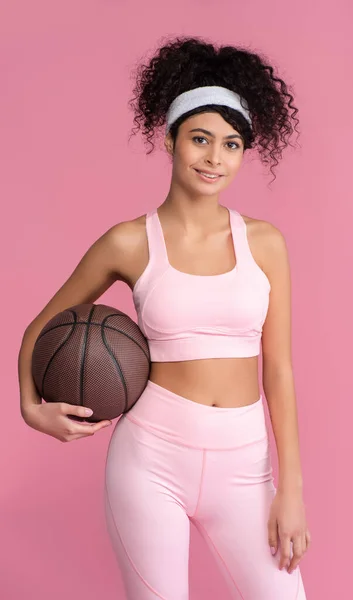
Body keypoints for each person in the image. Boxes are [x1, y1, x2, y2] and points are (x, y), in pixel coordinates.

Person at [18, 36, 311, 599]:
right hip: (150, 459)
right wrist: (33, 410)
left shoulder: (266, 244)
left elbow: (279, 368)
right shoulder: (129, 242)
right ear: (171, 137)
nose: (214, 158)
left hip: (246, 467)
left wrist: (290, 488)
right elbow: (40, 329)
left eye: (231, 144)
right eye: (200, 139)